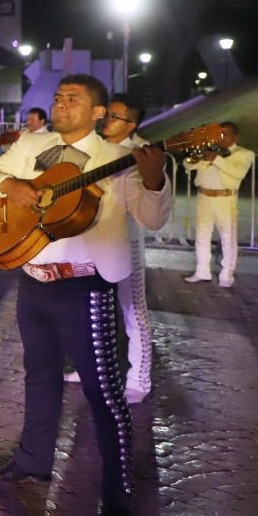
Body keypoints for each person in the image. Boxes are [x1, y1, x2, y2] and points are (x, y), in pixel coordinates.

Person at [0, 74, 171, 516]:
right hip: (33, 282)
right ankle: (33, 459)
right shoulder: (31, 143)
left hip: (86, 288)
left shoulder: (119, 160)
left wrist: (155, 177)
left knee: (104, 393)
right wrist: (11, 187)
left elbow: (154, 218)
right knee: (39, 375)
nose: (61, 104)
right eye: (58, 97)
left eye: (73, 100)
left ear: (99, 113)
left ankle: (118, 492)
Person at [99, 94, 153, 403]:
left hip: (124, 241)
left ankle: (139, 379)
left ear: (131, 123)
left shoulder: (142, 153)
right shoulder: (91, 148)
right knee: (95, 311)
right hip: (89, 241)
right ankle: (94, 369)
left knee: (133, 309)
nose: (107, 119)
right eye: (107, 113)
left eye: (115, 116)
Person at [183, 121, 254, 289]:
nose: (221, 138)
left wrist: (216, 159)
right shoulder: (209, 150)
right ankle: (202, 271)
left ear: (235, 136)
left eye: (225, 134)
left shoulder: (244, 154)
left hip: (225, 199)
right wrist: (199, 156)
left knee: (228, 238)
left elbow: (238, 173)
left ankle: (226, 274)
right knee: (201, 235)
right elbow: (187, 164)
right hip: (203, 196)